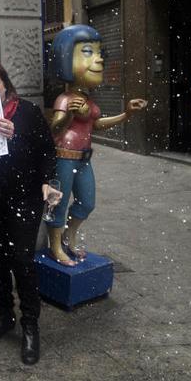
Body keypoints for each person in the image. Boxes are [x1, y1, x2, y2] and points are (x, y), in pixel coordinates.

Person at [0, 61, 59, 365]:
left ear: (6, 86)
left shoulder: (27, 112)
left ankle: (30, 324)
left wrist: (47, 181)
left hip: (24, 196)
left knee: (21, 259)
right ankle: (5, 312)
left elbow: (47, 150)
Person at [45, 25, 147, 266]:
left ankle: (69, 237)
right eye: (88, 52)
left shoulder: (88, 99)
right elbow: (54, 130)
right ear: (66, 58)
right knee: (57, 203)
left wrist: (126, 114)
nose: (99, 59)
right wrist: (70, 115)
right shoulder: (65, 98)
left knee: (87, 203)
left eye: (99, 52)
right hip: (64, 157)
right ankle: (56, 247)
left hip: (83, 159)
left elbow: (96, 124)